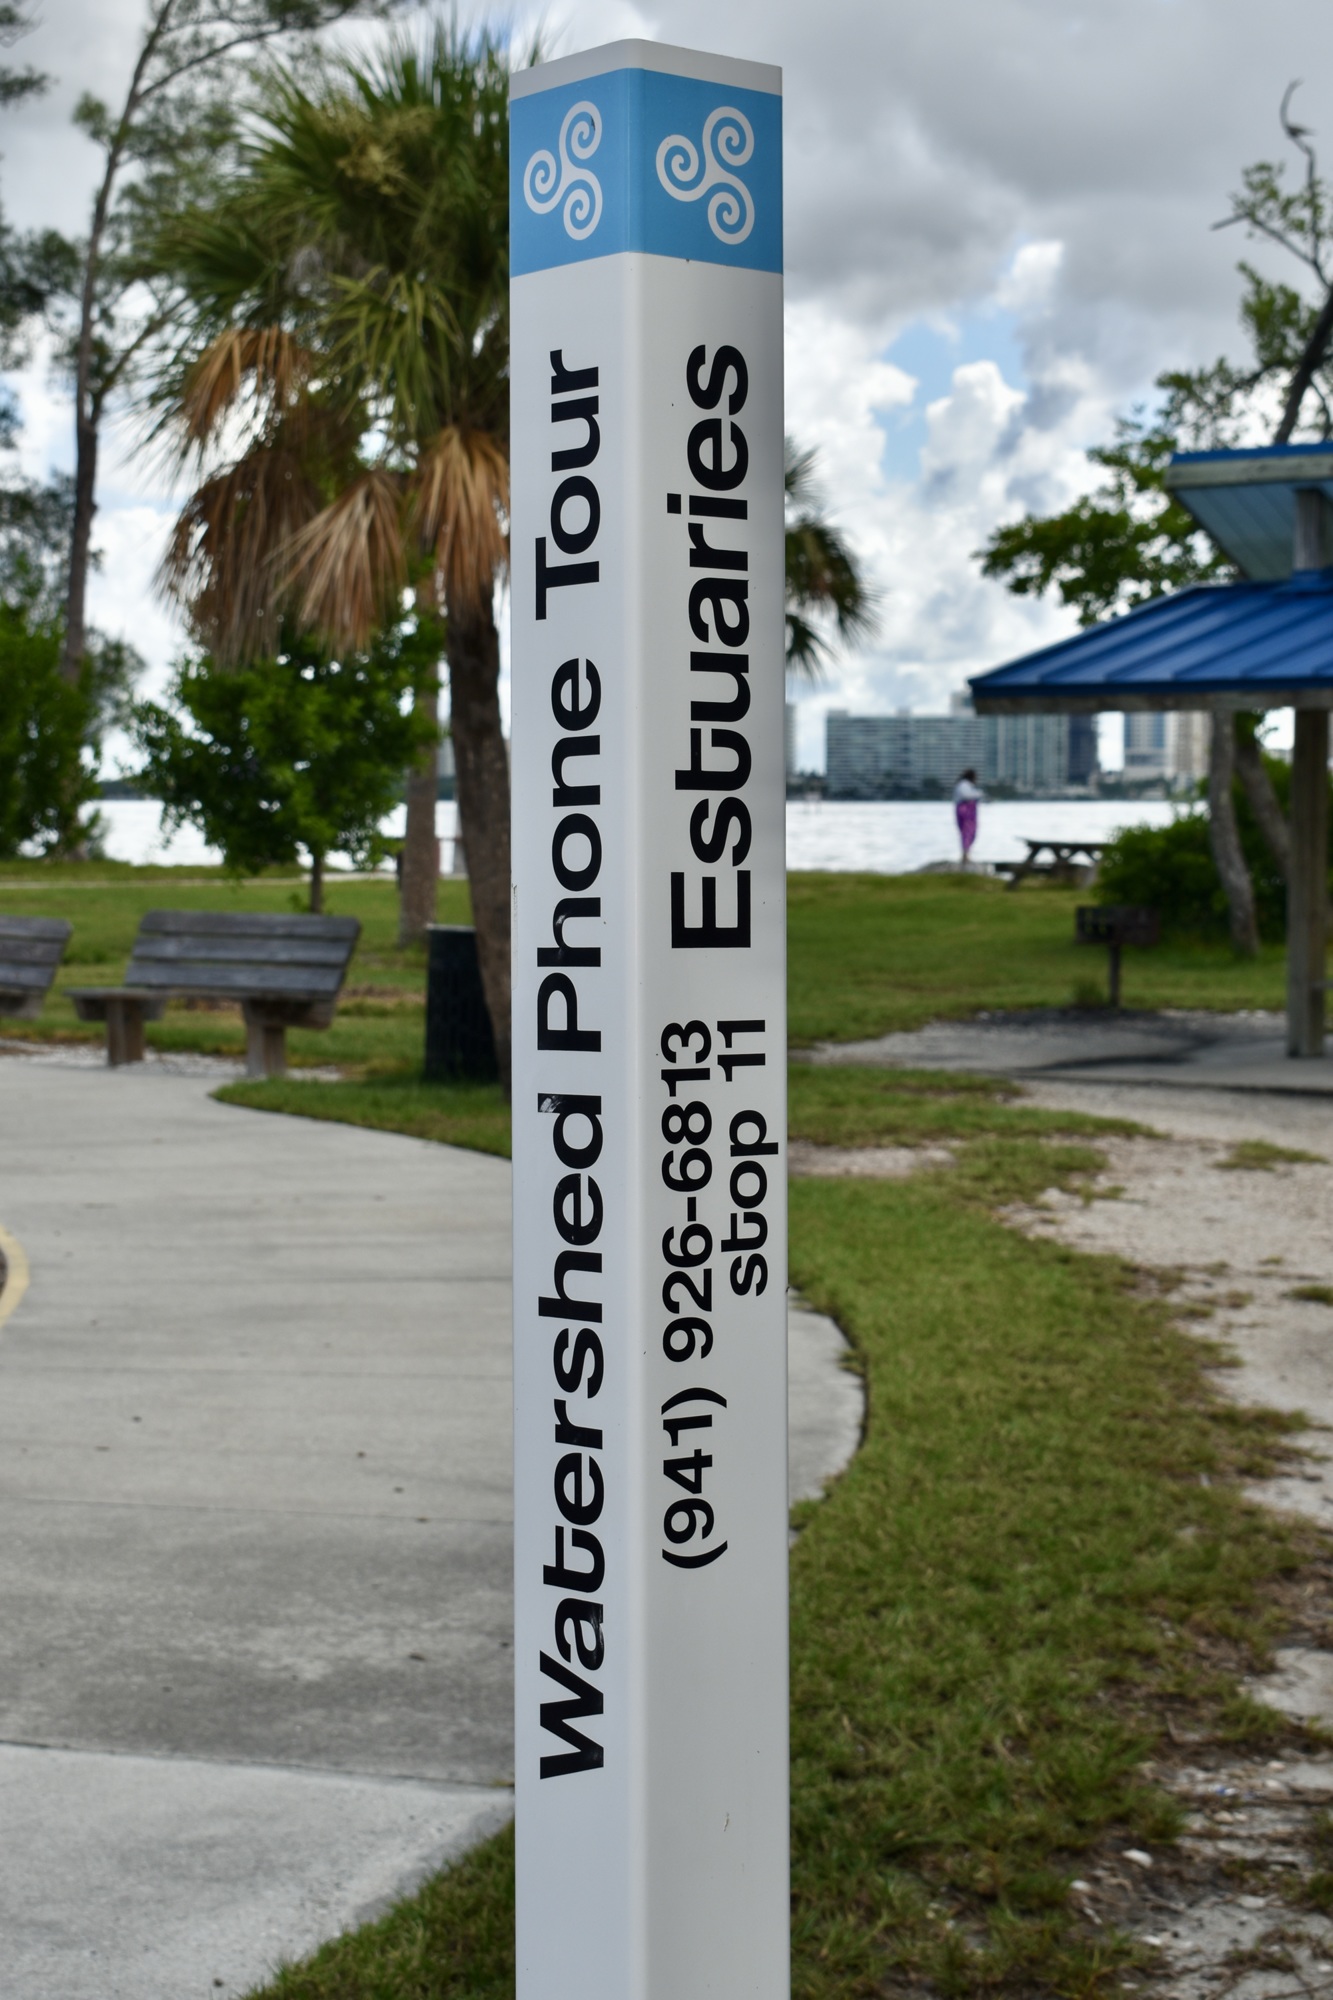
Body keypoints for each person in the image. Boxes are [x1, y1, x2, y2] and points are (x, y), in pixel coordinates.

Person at [953, 768, 982, 864]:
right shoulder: (964, 785)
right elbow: (967, 796)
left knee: (967, 832)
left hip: (966, 811)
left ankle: (966, 853)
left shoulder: (964, 785)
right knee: (968, 831)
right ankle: (965, 854)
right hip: (966, 812)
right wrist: (978, 794)